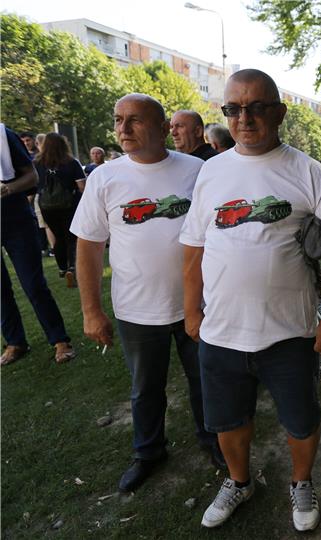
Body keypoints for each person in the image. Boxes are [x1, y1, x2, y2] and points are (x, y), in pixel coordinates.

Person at [181, 69, 321, 532]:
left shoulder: (307, 171)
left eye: (258, 106)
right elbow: (194, 245)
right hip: (221, 331)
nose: (246, 117)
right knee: (226, 420)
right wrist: (191, 309)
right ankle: (239, 481)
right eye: (234, 109)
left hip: (290, 331)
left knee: (300, 419)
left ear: (278, 112)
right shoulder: (210, 172)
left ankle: (301, 481)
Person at [71, 93, 225, 493]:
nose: (123, 129)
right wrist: (92, 310)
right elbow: (88, 246)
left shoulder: (197, 170)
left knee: (204, 380)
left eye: (135, 120)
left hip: (198, 304)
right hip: (137, 309)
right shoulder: (105, 178)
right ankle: (149, 452)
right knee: (145, 388)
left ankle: (213, 442)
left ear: (162, 128)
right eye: (119, 120)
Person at [1, 124, 75, 365]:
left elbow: (32, 176)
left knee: (33, 285)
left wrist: (9, 188)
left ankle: (59, 340)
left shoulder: (4, 135)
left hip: (15, 221)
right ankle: (15, 342)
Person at [33, 133, 86, 288]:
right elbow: (82, 186)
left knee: (58, 237)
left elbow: (35, 184)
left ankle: (62, 268)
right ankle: (72, 267)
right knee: (71, 237)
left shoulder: (37, 162)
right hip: (69, 205)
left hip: (46, 206)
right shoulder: (71, 162)